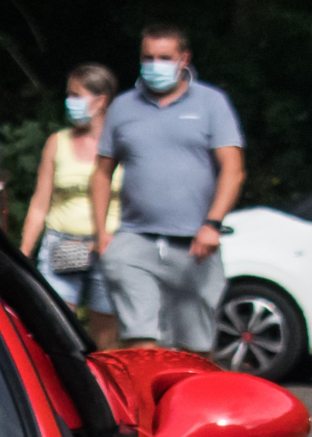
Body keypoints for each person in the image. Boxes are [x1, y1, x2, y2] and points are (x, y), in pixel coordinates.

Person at [90, 24, 243, 352]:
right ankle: (144, 402)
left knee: (195, 348)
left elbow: (233, 169)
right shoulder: (123, 107)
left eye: (164, 57)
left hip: (194, 244)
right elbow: (102, 173)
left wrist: (212, 223)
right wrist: (102, 233)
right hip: (136, 239)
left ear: (183, 58)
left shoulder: (211, 103)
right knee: (140, 339)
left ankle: (186, 399)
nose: (154, 64)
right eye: (148, 57)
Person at [18, 63, 124, 347]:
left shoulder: (123, 145)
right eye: (69, 94)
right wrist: (23, 253)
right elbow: (40, 203)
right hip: (63, 245)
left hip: (109, 247)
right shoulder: (58, 142)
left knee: (105, 337)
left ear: (101, 101)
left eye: (77, 95)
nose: (70, 102)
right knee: (56, 330)